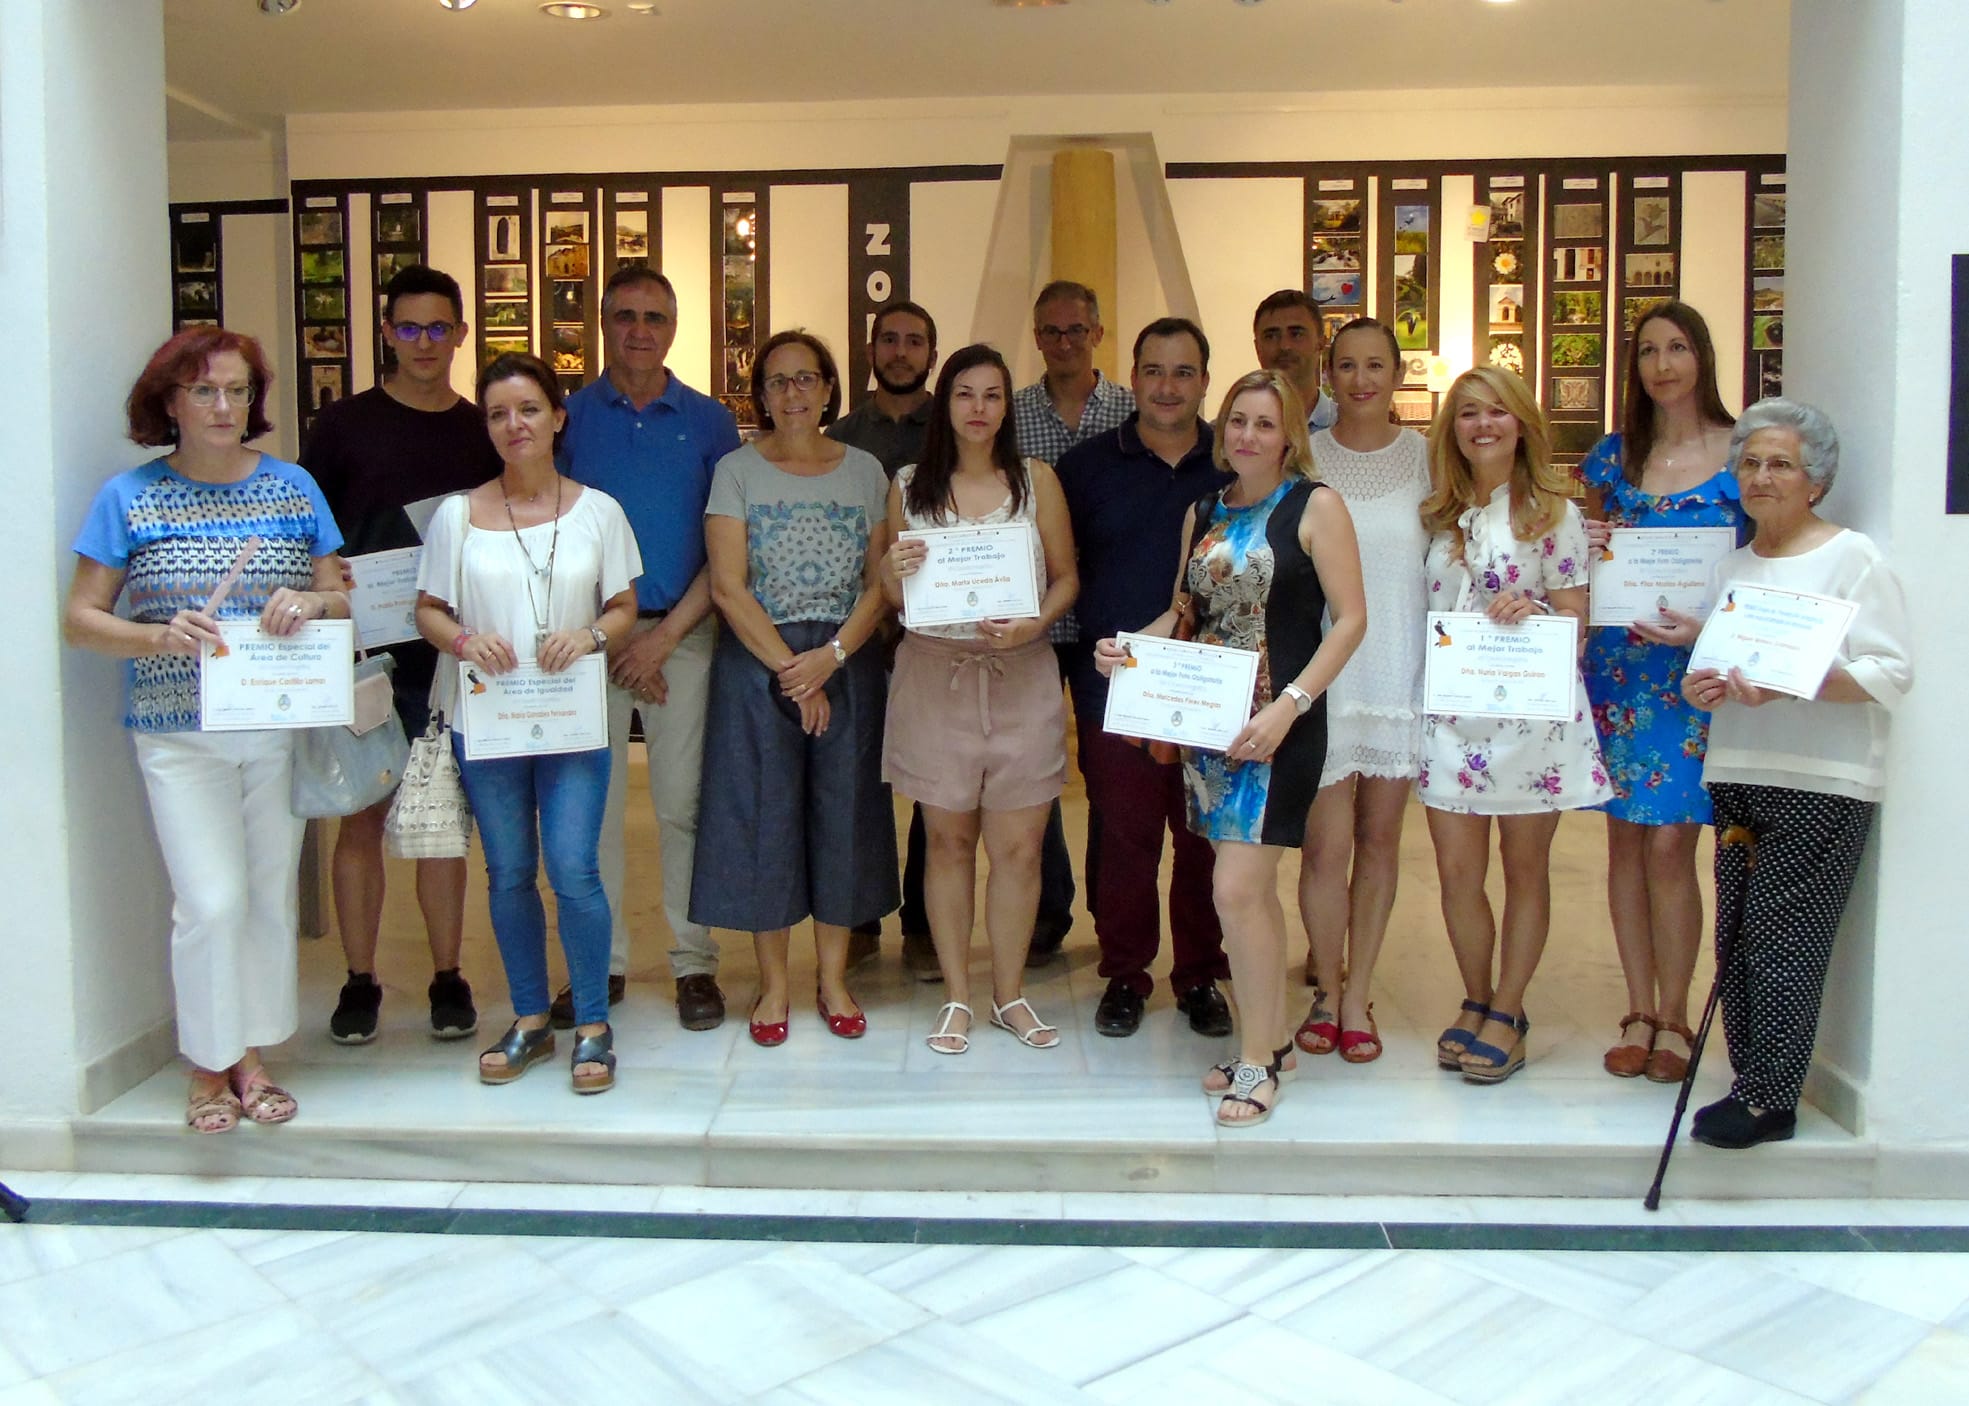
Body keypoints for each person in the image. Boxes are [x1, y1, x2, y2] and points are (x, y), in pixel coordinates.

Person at [64, 327, 351, 1133]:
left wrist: (311, 603)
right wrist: (158, 634)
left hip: (275, 726)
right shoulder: (131, 497)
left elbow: (340, 598)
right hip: (176, 729)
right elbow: (80, 620)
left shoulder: (293, 488)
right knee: (210, 902)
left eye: (237, 390)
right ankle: (206, 1063)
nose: (224, 406)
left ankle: (249, 1057)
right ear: (170, 402)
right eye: (204, 391)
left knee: (265, 898)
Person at [1096, 369, 1366, 1126]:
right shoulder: (1205, 510)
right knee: (1245, 894)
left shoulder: (1316, 506)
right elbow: (1184, 611)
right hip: (1209, 730)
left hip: (1278, 727)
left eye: (1265, 423)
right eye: (1239, 420)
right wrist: (1126, 649)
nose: (1248, 435)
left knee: (1236, 890)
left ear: (1289, 437)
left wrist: (1290, 706)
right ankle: (1268, 1040)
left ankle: (1258, 1061)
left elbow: (1350, 620)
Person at [1662, 400, 1911, 1148]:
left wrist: (1795, 683)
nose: (1761, 477)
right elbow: (1715, 667)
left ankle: (1772, 1099)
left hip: (1821, 776)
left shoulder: (1852, 559)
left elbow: (1890, 671)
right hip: (1739, 767)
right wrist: (1699, 685)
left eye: (1780, 464)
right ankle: (1750, 1080)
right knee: (1737, 934)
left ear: (1816, 481)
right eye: (1750, 463)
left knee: (1783, 938)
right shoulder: (1733, 567)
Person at [416, 354, 641, 1093]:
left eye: (529, 409)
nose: (514, 425)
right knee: (509, 871)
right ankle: (530, 1018)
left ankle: (593, 1024)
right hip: (488, 721)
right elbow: (427, 610)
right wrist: (461, 641)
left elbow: (624, 607)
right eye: (497, 414)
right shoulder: (457, 515)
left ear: (558, 417)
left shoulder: (600, 511)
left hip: (571, 721)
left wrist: (590, 636)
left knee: (574, 867)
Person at [302, 264, 500, 1046]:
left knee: (440, 821)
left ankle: (448, 975)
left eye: (438, 327)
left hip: (449, 656)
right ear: (387, 333)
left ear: (460, 334)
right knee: (361, 816)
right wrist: (330, 578)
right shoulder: (343, 426)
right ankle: (359, 980)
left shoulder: (479, 430)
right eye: (409, 328)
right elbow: (310, 532)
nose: (424, 342)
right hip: (363, 655)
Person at [691, 331, 897, 1046]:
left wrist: (831, 658)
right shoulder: (736, 471)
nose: (793, 393)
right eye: (777, 382)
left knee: (844, 816)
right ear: (761, 396)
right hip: (759, 660)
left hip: (847, 659)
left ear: (829, 388)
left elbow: (880, 582)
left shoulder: (866, 471)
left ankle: (832, 978)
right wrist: (794, 671)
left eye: (806, 378)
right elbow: (727, 585)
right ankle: (774, 984)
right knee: (764, 820)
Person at [884, 344, 1079, 1055]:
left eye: (992, 395)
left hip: (1020, 677)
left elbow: (1066, 577)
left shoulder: (1036, 481)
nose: (978, 408)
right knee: (947, 842)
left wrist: (1035, 622)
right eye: (964, 394)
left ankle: (1009, 993)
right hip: (935, 679)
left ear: (1007, 406)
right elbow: (890, 591)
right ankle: (957, 995)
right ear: (945, 403)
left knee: (1020, 849)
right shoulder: (909, 485)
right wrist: (891, 568)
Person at [562, 266, 742, 1033]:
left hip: (684, 636)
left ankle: (693, 963)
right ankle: (597, 966)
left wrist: (661, 639)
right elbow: (552, 536)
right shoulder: (568, 418)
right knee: (591, 811)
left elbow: (725, 548)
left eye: (655, 317)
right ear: (603, 323)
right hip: (587, 642)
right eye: (625, 315)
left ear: (674, 328)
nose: (640, 330)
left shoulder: (710, 423)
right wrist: (608, 635)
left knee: (682, 807)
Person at [1418, 367, 1611, 1084]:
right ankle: (1475, 997)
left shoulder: (1552, 513)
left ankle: (1508, 1009)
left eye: (1497, 411)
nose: (1483, 425)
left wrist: (1536, 612)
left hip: (1529, 721)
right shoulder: (1437, 512)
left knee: (1524, 870)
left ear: (1523, 423)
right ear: (1452, 429)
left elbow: (1577, 620)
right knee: (1456, 872)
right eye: (1469, 413)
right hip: (1449, 716)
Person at [1579, 302, 1743, 1084]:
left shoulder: (1742, 451)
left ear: (1701, 355)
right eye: (1647, 351)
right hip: (1618, 670)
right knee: (1623, 841)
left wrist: (1716, 630)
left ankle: (1675, 1012)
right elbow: (1584, 562)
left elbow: (1760, 564)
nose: (1662, 364)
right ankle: (1637, 1007)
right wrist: (1585, 542)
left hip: (1691, 675)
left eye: (1676, 347)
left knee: (1672, 842)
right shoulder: (1612, 457)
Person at [1057, 318, 1232, 1040]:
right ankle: (1125, 974)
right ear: (1132, 377)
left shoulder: (1234, 462)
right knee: (1124, 838)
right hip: (1114, 684)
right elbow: (1060, 570)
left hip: (1211, 686)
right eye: (1154, 370)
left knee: (1202, 837)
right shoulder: (1085, 467)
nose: (1167, 386)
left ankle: (1199, 975)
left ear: (1205, 381)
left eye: (1183, 371)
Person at [1294, 318, 1429, 1065]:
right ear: (1328, 374)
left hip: (1396, 669)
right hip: (1322, 674)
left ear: (1397, 373)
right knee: (1325, 845)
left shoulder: (1427, 458)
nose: (1360, 379)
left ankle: (1357, 995)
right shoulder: (1305, 455)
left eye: (1375, 365)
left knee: (1379, 841)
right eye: (1346, 365)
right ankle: (1324, 984)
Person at [1011, 278, 1134, 964]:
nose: (1064, 342)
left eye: (1076, 330)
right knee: (1034, 774)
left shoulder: (1131, 408)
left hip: (1106, 622)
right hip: (1029, 621)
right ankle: (1045, 912)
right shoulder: (1011, 414)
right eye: (1051, 331)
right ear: (1036, 338)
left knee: (1109, 773)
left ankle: (1111, 917)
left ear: (1097, 334)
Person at [825, 299, 941, 980]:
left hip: (936, 637)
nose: (900, 352)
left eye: (914, 341)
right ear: (870, 351)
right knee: (859, 782)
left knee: (935, 785)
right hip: (860, 634)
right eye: (889, 340)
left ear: (932, 353)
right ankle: (861, 918)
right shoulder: (840, 438)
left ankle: (925, 925)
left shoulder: (951, 433)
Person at [1252, 289, 1340, 435]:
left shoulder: (1351, 428)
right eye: (1271, 336)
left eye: (1296, 334)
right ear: (1257, 348)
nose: (1284, 345)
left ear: (1320, 344)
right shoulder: (1230, 434)